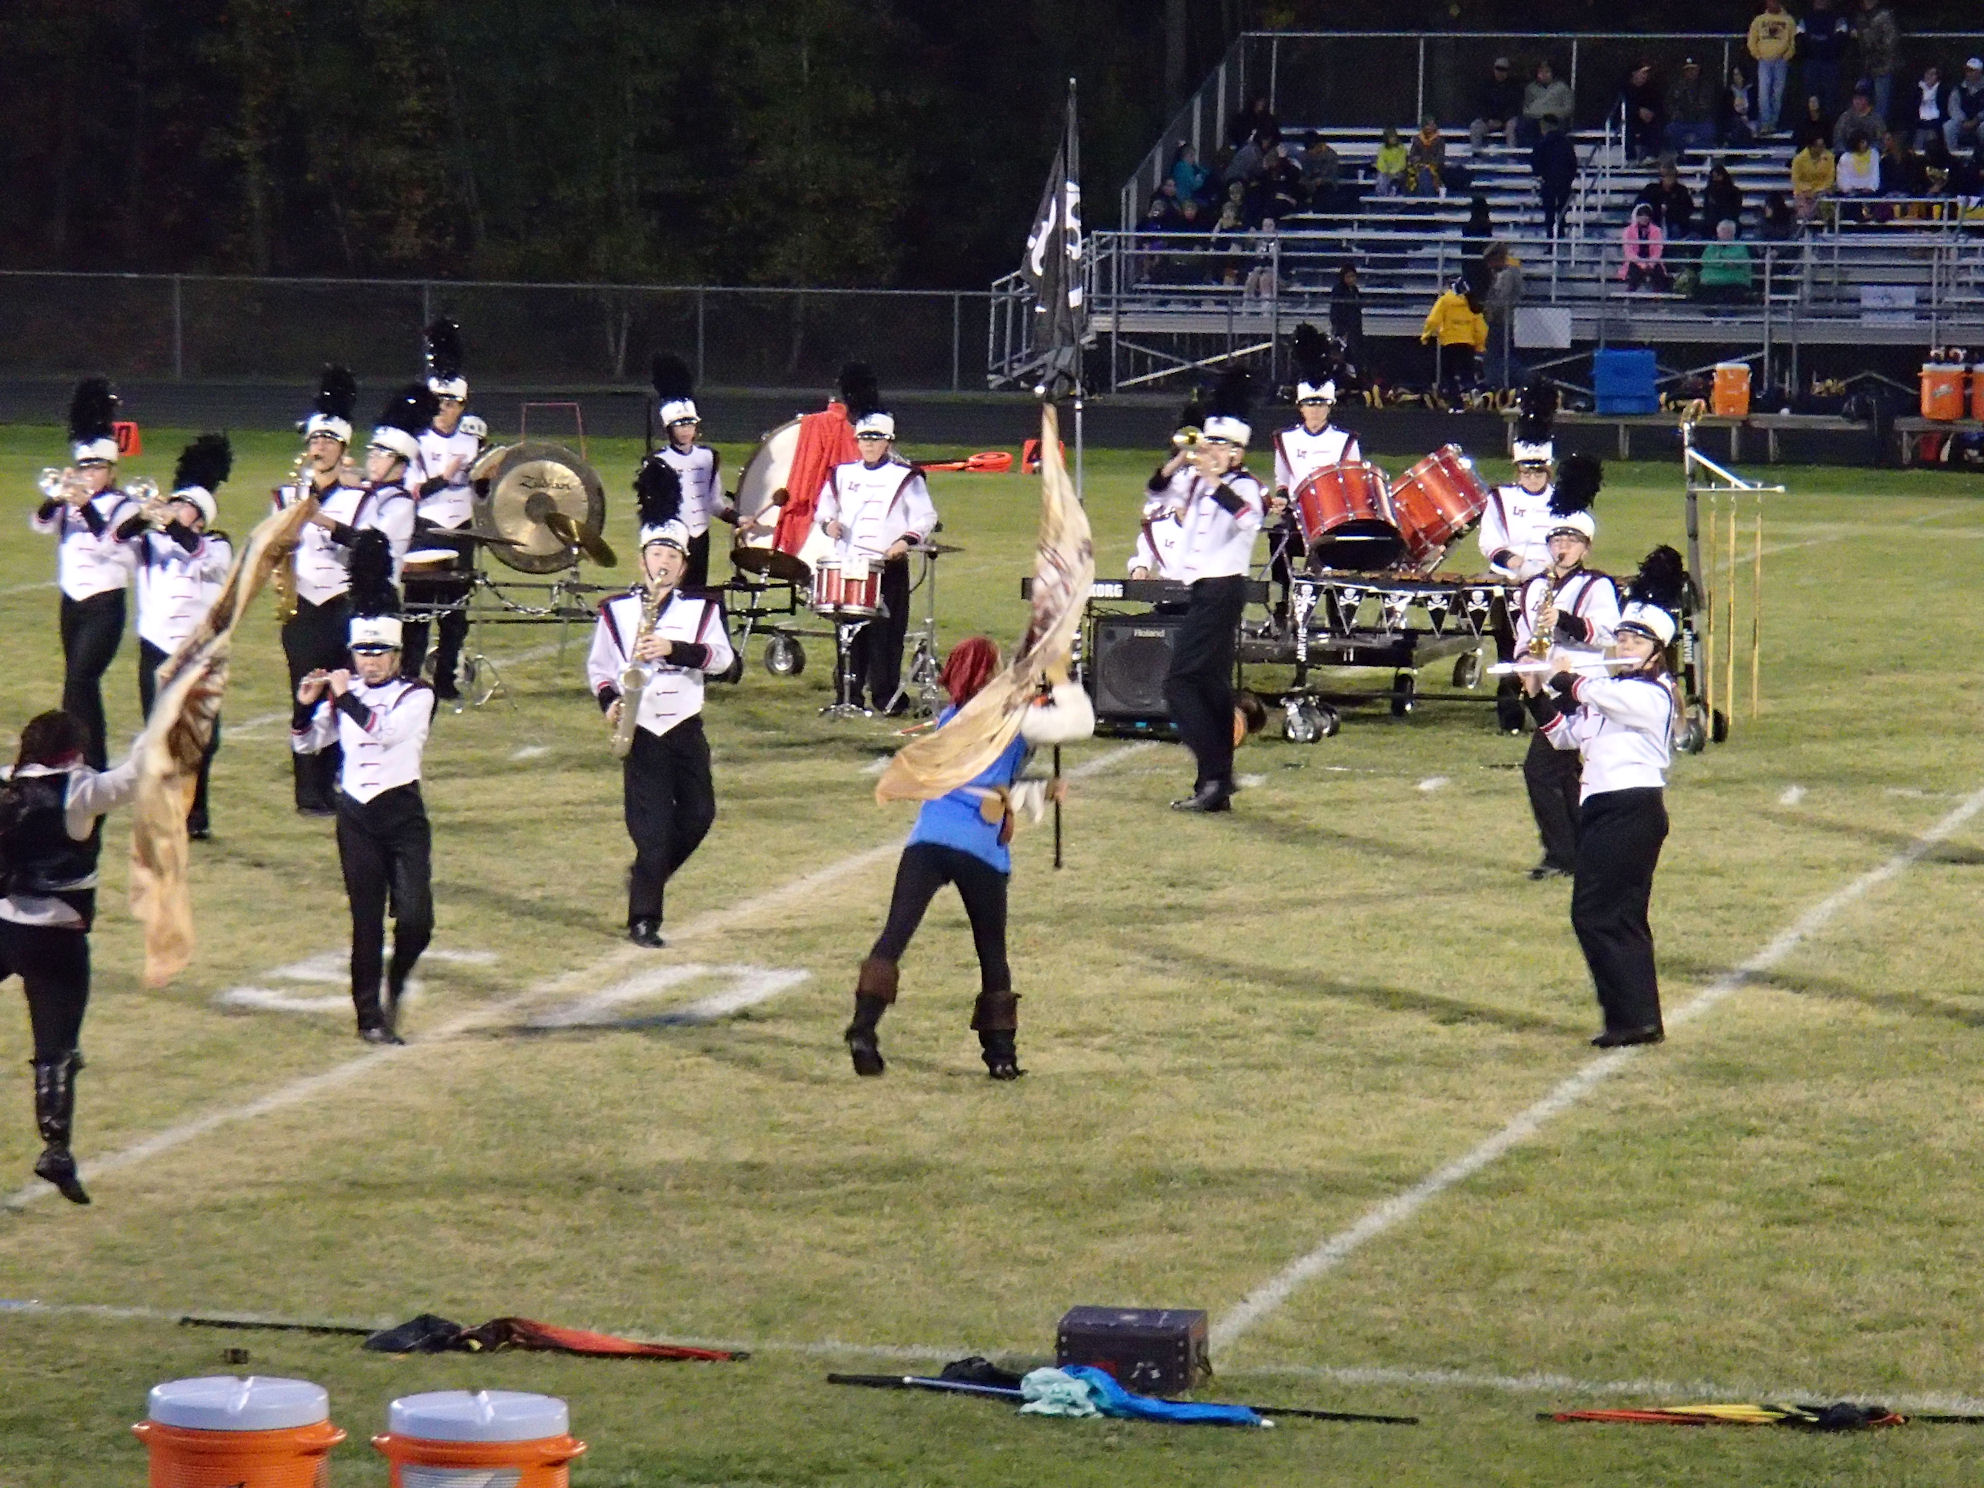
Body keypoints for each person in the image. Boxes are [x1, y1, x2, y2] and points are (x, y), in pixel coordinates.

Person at [845, 637, 1058, 1081]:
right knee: (991, 952)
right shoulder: (1015, 722)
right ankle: (1001, 1055)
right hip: (980, 848)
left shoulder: (947, 719)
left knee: (894, 935)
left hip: (929, 837)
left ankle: (863, 1028)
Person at [1522, 545, 1686, 1048]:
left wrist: (1563, 674)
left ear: (1657, 651)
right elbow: (1565, 737)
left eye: (1636, 641)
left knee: (1596, 914)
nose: (1625, 645)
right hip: (1605, 809)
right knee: (1617, 917)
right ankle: (1635, 1019)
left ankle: (1631, 1018)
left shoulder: (1651, 693)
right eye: (1622, 638)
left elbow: (1593, 693)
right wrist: (1535, 693)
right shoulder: (1614, 691)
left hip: (1630, 808)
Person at [0, 709, 152, 1203]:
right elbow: (138, 773)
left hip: (4, 924)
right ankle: (56, 1148)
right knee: (56, 1050)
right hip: (56, 935)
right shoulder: (80, 791)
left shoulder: (8, 784)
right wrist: (166, 711)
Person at [292, 533, 434, 1046]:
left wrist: (343, 697)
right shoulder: (344, 692)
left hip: (402, 812)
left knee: (416, 920)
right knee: (366, 921)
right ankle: (368, 1016)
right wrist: (305, 705)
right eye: (362, 653)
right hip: (356, 816)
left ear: (395, 655)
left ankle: (399, 977)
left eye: (379, 654)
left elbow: (384, 732)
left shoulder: (417, 694)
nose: (369, 662)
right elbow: (308, 744)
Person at [588, 460, 733, 950]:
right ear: (642, 561)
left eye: (673, 554)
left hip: (685, 724)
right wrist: (611, 702)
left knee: (699, 815)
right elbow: (599, 668)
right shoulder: (616, 611)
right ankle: (644, 918)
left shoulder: (703, 609)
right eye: (656, 553)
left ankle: (647, 875)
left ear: (684, 565)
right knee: (650, 831)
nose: (664, 562)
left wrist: (675, 649)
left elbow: (724, 661)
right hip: (642, 727)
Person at [279, 379, 422, 815]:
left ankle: (337, 782)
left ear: (343, 447)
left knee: (344, 692)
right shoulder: (286, 495)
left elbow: (368, 544)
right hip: (303, 605)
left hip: (344, 605)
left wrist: (319, 519)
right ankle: (308, 792)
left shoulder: (365, 498)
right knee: (305, 693)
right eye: (314, 440)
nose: (319, 447)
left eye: (328, 440)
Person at [1508, 456, 1615, 881]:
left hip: (1580, 687)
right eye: (1557, 540)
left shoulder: (1598, 585)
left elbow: (1606, 633)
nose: (1562, 547)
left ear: (1586, 547)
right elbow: (1523, 633)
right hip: (1546, 687)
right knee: (1564, 772)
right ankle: (1578, 853)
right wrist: (1525, 663)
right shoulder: (1534, 587)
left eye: (1571, 541)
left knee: (1543, 769)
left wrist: (1565, 621)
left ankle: (1562, 854)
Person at [1163, 370, 1264, 814]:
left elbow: (1249, 519)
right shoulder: (1200, 486)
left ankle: (1217, 774)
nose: (1214, 453)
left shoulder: (1244, 486)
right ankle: (1214, 787)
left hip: (1223, 590)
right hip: (1206, 590)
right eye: (1210, 445)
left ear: (1238, 453)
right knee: (1213, 688)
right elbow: (1158, 492)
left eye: (1222, 447)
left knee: (1180, 683)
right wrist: (1182, 464)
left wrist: (1214, 481)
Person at [122, 435, 232, 840]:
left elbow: (197, 552)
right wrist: (144, 515)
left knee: (203, 736)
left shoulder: (218, 545)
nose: (172, 507)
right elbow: (117, 536)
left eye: (182, 504)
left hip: (199, 651)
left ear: (200, 515)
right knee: (158, 732)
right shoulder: (151, 541)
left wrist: (171, 524)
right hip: (156, 647)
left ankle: (196, 811)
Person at [813, 376, 937, 715]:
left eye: (875, 439)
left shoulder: (905, 476)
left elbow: (925, 516)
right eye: (864, 438)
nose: (868, 445)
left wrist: (904, 541)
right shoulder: (841, 474)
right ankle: (848, 695)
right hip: (850, 563)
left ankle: (886, 697)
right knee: (849, 632)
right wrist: (829, 524)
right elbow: (823, 510)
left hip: (888, 566)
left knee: (886, 634)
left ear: (888, 441)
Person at [33, 379, 137, 772]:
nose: (89, 474)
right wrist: (56, 498)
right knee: (75, 682)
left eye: (97, 467)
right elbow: (40, 524)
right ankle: (75, 757)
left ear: (111, 470)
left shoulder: (125, 506)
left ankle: (91, 760)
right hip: (71, 602)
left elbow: (116, 547)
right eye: (85, 466)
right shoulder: (69, 502)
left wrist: (86, 507)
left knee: (81, 679)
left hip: (104, 605)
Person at [1482, 383, 1565, 731]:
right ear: (1517, 470)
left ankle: (1547, 704)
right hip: (1510, 582)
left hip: (1550, 585)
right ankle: (1509, 705)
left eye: (1538, 471)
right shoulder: (1500, 498)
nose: (1532, 477)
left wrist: (1551, 569)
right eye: (1526, 471)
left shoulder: (1562, 499)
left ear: (1548, 470)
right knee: (1508, 646)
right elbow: (1490, 542)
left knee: (1547, 645)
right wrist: (1517, 564)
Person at [402, 320, 478, 700]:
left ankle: (446, 680)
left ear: (462, 407)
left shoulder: (473, 441)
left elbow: (483, 492)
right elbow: (410, 491)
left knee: (454, 615)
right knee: (417, 611)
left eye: (450, 404)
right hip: (427, 528)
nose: (443, 410)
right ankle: (408, 677)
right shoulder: (416, 440)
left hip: (462, 530)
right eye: (439, 403)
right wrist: (444, 478)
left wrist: (485, 478)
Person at [1267, 325, 1363, 596]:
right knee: (1278, 537)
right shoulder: (1286, 439)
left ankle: (1337, 607)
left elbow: (1353, 482)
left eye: (1321, 405)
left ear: (1330, 406)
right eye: (1310, 405)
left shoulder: (1346, 440)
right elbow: (1283, 481)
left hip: (1334, 516)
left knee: (1341, 547)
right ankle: (1283, 602)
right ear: (1300, 407)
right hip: (1298, 515)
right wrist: (1281, 499)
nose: (1315, 410)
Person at [649, 354, 732, 590]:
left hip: (700, 537)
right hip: (670, 538)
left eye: (690, 424)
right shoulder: (658, 461)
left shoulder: (708, 457)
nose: (686, 430)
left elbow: (713, 502)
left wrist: (737, 518)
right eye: (679, 425)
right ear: (668, 429)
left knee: (696, 594)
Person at [1421, 278, 1487, 395]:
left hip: (1449, 342)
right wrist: (1480, 345)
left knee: (1448, 374)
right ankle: (1470, 393)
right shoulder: (1472, 304)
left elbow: (1433, 320)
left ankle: (1453, 398)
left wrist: (1426, 335)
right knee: (1467, 373)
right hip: (1467, 343)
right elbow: (1481, 328)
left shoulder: (1445, 301)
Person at [1747, 0, 1797, 135]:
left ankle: (1773, 124)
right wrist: (1757, 55)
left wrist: (1787, 55)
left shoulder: (1788, 20)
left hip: (1781, 61)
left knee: (1777, 93)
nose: (1772, 4)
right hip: (1764, 61)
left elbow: (1793, 41)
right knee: (1763, 92)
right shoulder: (1759, 20)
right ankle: (1765, 124)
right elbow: (1752, 39)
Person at [1798, 0, 1852, 117]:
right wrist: (1816, 46)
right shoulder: (1805, 19)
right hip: (1811, 62)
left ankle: (1829, 123)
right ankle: (1811, 124)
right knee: (1811, 97)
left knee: (1830, 97)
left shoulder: (1839, 19)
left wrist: (1819, 44)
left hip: (1831, 63)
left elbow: (1840, 40)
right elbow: (1800, 39)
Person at [1852, 0, 1901, 125]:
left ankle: (1878, 134)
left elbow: (1890, 42)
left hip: (1883, 67)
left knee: (1881, 106)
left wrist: (1868, 38)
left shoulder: (1884, 16)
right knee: (1861, 102)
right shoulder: (1860, 17)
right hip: (1865, 68)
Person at [1532, 120, 1579, 237]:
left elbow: (1535, 161)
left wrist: (1539, 174)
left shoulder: (1541, 143)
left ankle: (1550, 237)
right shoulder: (1566, 143)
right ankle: (1561, 233)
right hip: (1564, 182)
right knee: (1562, 210)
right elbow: (1573, 163)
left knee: (1549, 212)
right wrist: (1569, 178)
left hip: (1548, 182)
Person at [1665, 57, 1721, 155]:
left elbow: (1710, 105)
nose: (1691, 72)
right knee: (1670, 130)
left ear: (1698, 70)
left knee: (1709, 132)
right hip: (1682, 121)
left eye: (1693, 69)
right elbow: (1669, 103)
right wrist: (1675, 113)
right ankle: (1682, 155)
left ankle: (1698, 154)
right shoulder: (1677, 86)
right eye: (1688, 69)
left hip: (1701, 121)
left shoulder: (1706, 86)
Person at [1634, 154, 1695, 239]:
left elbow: (1688, 208)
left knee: (1675, 229)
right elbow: (1639, 203)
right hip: (1654, 220)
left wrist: (1671, 211)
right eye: (1666, 176)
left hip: (1675, 223)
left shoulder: (1681, 190)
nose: (1669, 180)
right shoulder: (1651, 189)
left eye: (1672, 176)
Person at [1696, 219, 1756, 300]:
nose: (1725, 233)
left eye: (1728, 231)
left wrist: (1717, 259)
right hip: (1710, 282)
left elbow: (1735, 262)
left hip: (1734, 283)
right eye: (1723, 231)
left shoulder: (1740, 247)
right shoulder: (1711, 246)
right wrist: (1723, 263)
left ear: (1733, 232)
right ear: (1718, 232)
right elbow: (1705, 260)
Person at [1472, 57, 1525, 149]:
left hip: (1507, 120)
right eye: (1498, 69)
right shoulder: (1485, 85)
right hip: (1488, 121)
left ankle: (1512, 155)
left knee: (1512, 127)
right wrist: (1487, 119)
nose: (1500, 72)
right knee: (1475, 126)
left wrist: (1503, 121)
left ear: (1508, 71)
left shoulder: (1515, 86)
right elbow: (1480, 105)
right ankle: (1476, 154)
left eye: (1503, 70)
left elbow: (1515, 106)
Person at [1521, 60, 1573, 146]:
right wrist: (1539, 115)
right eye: (1541, 72)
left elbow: (1569, 109)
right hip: (1535, 120)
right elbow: (1525, 109)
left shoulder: (1562, 87)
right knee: (1524, 125)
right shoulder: (1530, 88)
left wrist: (1551, 114)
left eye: (1547, 72)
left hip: (1556, 120)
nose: (1544, 75)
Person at [1619, 205, 1671, 291]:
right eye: (1641, 215)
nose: (1644, 218)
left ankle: (1658, 295)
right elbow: (1628, 252)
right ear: (1637, 217)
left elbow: (1658, 250)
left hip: (1652, 261)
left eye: (1647, 216)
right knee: (1635, 274)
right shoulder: (1628, 231)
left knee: (1658, 273)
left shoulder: (1657, 231)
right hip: (1634, 261)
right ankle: (1630, 295)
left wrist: (1650, 264)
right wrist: (1641, 264)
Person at [1621, 62, 1665, 162]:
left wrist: (1651, 113)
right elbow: (1621, 106)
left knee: (1656, 125)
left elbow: (1657, 105)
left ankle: (1651, 156)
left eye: (1646, 73)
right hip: (1627, 120)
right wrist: (1638, 111)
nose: (1645, 75)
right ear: (1634, 73)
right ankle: (1631, 158)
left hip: (1646, 121)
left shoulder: (1650, 89)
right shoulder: (1624, 88)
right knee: (1628, 127)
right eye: (1643, 72)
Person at [1791, 132, 1838, 221]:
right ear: (1811, 147)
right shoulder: (1798, 159)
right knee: (1805, 212)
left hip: (1823, 191)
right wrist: (1807, 190)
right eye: (1819, 146)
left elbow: (1830, 178)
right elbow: (1796, 179)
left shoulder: (1829, 157)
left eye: (1823, 145)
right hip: (1804, 193)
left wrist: (1818, 190)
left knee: (1828, 208)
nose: (1822, 148)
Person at [1330, 262, 1366, 372]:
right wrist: (1341, 329)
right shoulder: (1338, 290)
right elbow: (1336, 310)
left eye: (1353, 276)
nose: (1352, 279)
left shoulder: (1354, 289)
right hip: (1344, 329)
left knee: (1356, 355)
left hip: (1355, 327)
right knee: (1344, 355)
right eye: (1348, 276)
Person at [1947, 59, 1984, 155]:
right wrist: (1963, 120)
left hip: (1980, 122)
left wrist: (1977, 119)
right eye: (1967, 70)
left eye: (1971, 70)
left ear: (1979, 72)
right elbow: (1953, 106)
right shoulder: (1959, 88)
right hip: (1964, 123)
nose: (1968, 73)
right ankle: (1953, 154)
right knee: (1949, 126)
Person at [1298, 132, 1341, 213]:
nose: (1310, 151)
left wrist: (1320, 180)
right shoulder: (1304, 156)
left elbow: (1331, 175)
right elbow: (1304, 173)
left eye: (1312, 148)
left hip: (1326, 186)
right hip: (1308, 185)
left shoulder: (1330, 155)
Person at [1833, 86, 1883, 154]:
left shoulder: (1876, 119)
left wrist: (1869, 152)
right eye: (1855, 98)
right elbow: (1838, 139)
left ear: (1867, 100)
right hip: (1848, 154)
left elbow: (1880, 141)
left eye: (1860, 99)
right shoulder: (1845, 117)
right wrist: (1848, 154)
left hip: (1869, 154)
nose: (1857, 102)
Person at [1405, 116, 1446, 196]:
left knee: (1426, 174)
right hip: (1419, 167)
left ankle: (1428, 197)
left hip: (1435, 169)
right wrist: (1418, 162)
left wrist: (1429, 164)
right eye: (1427, 125)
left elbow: (1440, 157)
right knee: (1417, 173)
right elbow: (1412, 156)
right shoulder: (1417, 140)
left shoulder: (1439, 141)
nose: (1430, 127)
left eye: (1432, 125)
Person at [1912, 64, 1948, 150]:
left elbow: (1944, 109)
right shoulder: (1917, 89)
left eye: (1932, 74)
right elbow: (1913, 108)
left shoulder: (1943, 90)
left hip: (1936, 123)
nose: (1929, 76)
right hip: (1920, 122)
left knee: (1931, 136)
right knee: (1919, 136)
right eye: (1927, 73)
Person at [1703, 161, 1745, 231]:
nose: (1716, 179)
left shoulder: (1734, 191)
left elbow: (1736, 210)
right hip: (1711, 222)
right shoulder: (1708, 191)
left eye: (1718, 176)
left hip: (1728, 221)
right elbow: (1706, 209)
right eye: (1714, 177)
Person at [1724, 66, 1759, 145]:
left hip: (1750, 120)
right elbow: (1727, 110)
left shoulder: (1752, 90)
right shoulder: (1729, 92)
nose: (1737, 77)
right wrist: (1739, 117)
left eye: (1739, 74)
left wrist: (1748, 116)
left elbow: (1755, 107)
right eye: (1735, 74)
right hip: (1735, 121)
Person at [1372, 126, 1407, 196]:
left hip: (1398, 172)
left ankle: (1394, 191)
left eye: (1394, 137)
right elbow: (1381, 162)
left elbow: (1401, 163)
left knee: (1399, 176)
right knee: (1381, 177)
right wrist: (1385, 170)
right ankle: (1382, 195)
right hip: (1386, 172)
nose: (1394, 139)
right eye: (1391, 137)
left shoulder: (1401, 148)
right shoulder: (1382, 149)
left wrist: (1393, 171)